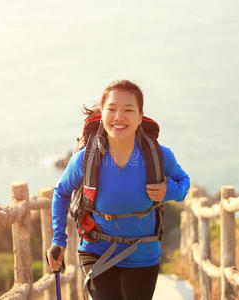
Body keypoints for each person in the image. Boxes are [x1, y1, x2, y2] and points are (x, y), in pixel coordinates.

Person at [47, 79, 190, 300]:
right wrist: (59, 239)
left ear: (140, 117)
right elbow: (62, 192)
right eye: (111, 109)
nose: (118, 116)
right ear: (102, 115)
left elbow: (183, 185)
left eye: (128, 110)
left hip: (143, 253)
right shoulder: (86, 159)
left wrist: (168, 190)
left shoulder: (159, 156)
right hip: (95, 250)